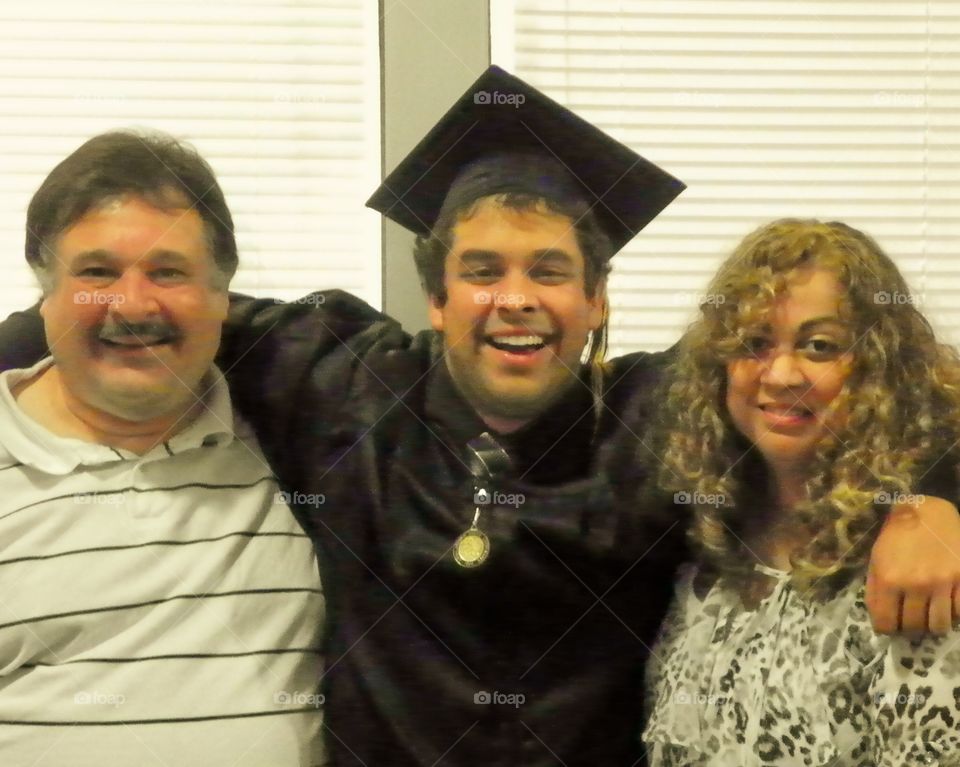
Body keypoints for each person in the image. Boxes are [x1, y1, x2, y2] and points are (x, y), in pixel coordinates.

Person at [3, 70, 960, 766]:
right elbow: (127, 314)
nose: (515, 299)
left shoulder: (668, 410)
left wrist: (932, 496)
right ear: (436, 296)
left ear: (595, 300)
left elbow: (876, 381)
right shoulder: (331, 376)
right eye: (482, 270)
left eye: (548, 271)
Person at [0, 131, 328, 765]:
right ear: (45, 294)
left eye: (168, 272)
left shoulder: (304, 439)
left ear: (222, 297)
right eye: (97, 272)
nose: (132, 304)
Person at [643, 219, 960, 765]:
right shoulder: (702, 546)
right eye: (755, 343)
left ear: (879, 366)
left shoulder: (912, 570)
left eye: (819, 346)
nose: (783, 374)